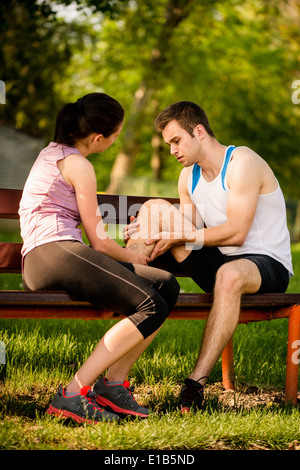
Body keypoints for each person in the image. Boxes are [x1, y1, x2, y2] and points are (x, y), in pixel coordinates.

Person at [19, 93, 180, 424]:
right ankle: (72, 394)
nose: (117, 139)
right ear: (97, 138)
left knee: (166, 287)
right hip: (51, 253)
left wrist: (138, 263)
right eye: (116, 134)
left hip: (57, 253)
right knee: (151, 304)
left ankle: (113, 385)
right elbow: (100, 243)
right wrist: (137, 257)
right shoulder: (78, 164)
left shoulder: (57, 155)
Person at [125, 100, 293, 412]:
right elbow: (191, 230)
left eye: (176, 141)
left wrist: (178, 235)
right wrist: (150, 230)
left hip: (265, 264)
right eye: (168, 144)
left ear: (199, 131)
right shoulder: (188, 177)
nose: (173, 150)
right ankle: (120, 282)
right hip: (219, 262)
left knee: (229, 276)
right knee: (153, 208)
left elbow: (237, 232)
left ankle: (195, 384)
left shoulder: (243, 162)